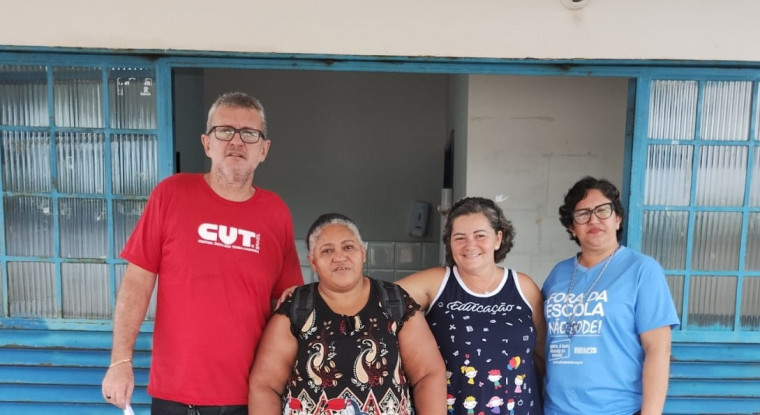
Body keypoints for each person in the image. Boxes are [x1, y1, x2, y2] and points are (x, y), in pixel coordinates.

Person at [101, 92, 304, 414]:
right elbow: (137, 282)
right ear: (207, 143)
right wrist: (120, 361)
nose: (236, 141)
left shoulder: (275, 212)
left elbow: (288, 303)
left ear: (263, 150)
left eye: (249, 134)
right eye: (225, 130)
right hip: (175, 392)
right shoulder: (171, 194)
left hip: (248, 393)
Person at [249, 213, 446, 415]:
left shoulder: (395, 301)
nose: (339, 257)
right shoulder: (297, 307)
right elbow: (266, 386)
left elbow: (427, 374)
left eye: (348, 247)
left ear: (363, 252)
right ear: (313, 261)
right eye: (327, 250)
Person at [541, 176, 680, 415]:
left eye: (602, 210)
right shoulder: (558, 274)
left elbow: (658, 350)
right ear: (572, 227)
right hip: (555, 409)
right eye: (582, 214)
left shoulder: (642, 270)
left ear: (618, 218)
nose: (593, 219)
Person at [397, 197, 546, 415]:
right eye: (460, 237)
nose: (470, 245)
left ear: (498, 238)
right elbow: (376, 301)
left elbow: (541, 357)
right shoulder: (437, 282)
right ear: (450, 242)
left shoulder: (524, 288)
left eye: (480, 236)